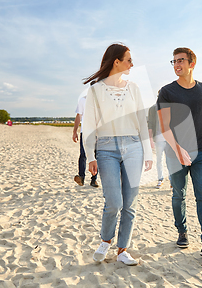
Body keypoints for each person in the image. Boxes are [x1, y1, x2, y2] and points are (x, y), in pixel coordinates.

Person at [82, 43, 153, 266]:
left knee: (129, 202)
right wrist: (90, 155)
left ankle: (123, 250)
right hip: (106, 149)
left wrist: (148, 152)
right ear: (117, 62)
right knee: (113, 202)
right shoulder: (95, 90)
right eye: (129, 60)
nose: (132, 64)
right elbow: (89, 125)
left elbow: (143, 122)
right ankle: (105, 241)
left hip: (133, 146)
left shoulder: (134, 88)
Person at [157, 47, 202, 257]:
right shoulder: (166, 91)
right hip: (175, 152)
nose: (176, 65)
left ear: (192, 64)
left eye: (180, 61)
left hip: (201, 151)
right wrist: (178, 150)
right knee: (179, 195)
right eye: (174, 61)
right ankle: (182, 232)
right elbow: (164, 126)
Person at [72, 93, 99, 188]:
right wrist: (75, 131)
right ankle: (81, 177)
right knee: (83, 154)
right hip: (85, 132)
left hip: (97, 133)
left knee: (96, 156)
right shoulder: (83, 100)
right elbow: (78, 116)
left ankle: (94, 180)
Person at [148, 92, 168, 189]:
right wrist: (150, 139)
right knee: (159, 160)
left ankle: (173, 182)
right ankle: (160, 179)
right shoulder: (153, 108)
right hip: (158, 139)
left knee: (170, 161)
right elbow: (150, 124)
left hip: (169, 139)